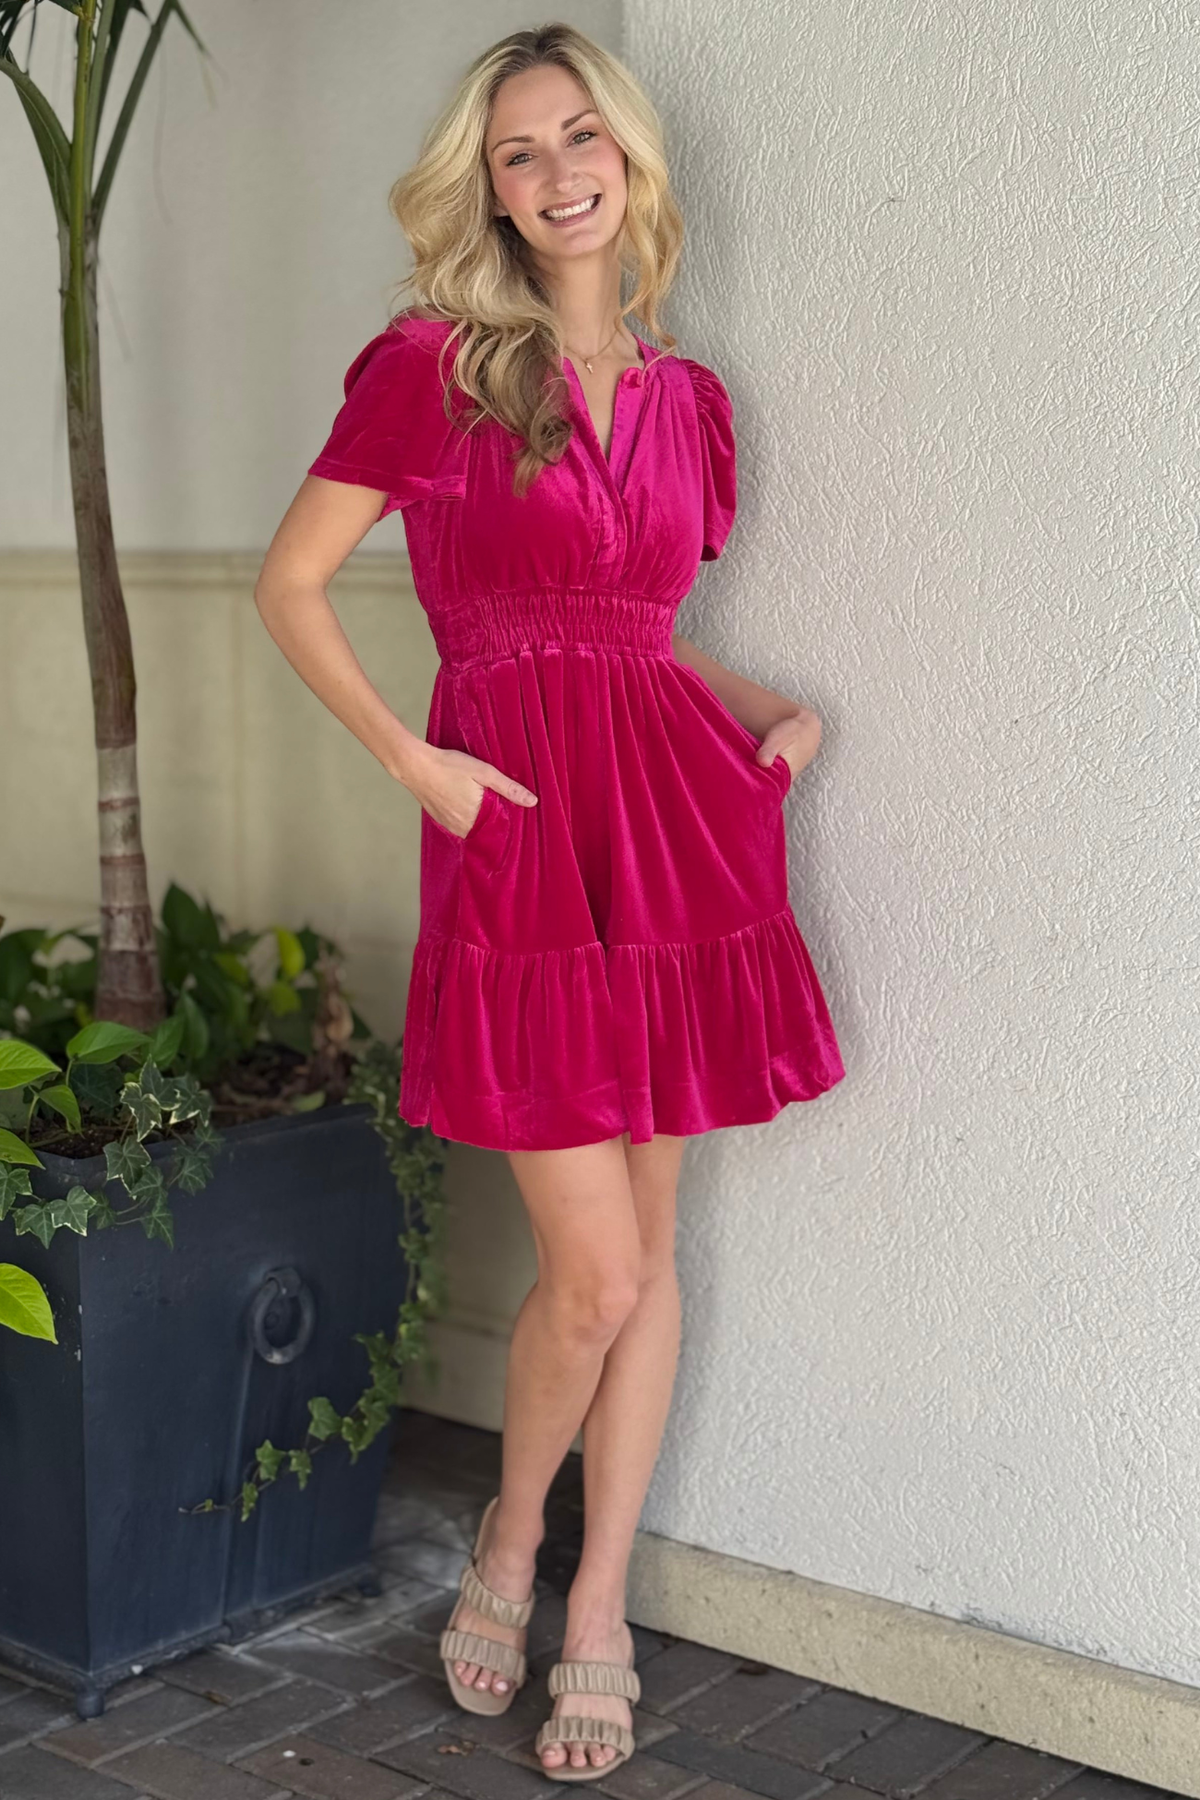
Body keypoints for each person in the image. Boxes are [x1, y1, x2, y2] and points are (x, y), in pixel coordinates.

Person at [254, 21, 845, 1783]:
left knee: (651, 1256)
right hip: (515, 833)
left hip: (677, 837)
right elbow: (291, 586)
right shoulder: (431, 369)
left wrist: (774, 713)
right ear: (491, 191)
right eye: (520, 151)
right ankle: (509, 1538)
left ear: (629, 159)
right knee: (591, 1276)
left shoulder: (690, 402)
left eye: (581, 136)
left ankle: (596, 1606)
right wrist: (415, 764)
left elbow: (635, 639)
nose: (557, 171)